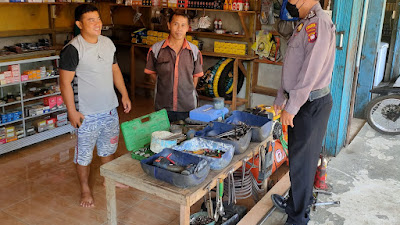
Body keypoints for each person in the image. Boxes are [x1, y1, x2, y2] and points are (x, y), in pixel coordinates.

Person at [59, 4, 132, 208]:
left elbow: (115, 70)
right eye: (91, 20)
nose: (97, 23)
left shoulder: (108, 43)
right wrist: (71, 111)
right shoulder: (73, 49)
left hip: (109, 109)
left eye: (98, 19)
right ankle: (85, 189)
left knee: (108, 148)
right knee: (84, 155)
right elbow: (64, 83)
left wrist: (124, 95)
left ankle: (108, 178)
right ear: (79, 24)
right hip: (86, 114)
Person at [272, 0, 336, 224]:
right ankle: (297, 202)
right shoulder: (304, 23)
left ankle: (298, 217)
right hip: (302, 102)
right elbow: (292, 66)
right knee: (301, 160)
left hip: (310, 104)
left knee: (302, 162)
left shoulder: (318, 23)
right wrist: (282, 97)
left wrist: (292, 106)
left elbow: (310, 72)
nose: (290, 2)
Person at [144, 11, 204, 122]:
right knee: (163, 136)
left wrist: (188, 90)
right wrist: (163, 83)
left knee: (186, 136)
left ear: (187, 28)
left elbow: (196, 75)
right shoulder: (156, 49)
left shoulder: (194, 51)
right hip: (163, 106)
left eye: (183, 25)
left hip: (187, 106)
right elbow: (151, 72)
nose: (179, 29)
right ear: (169, 25)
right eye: (175, 24)